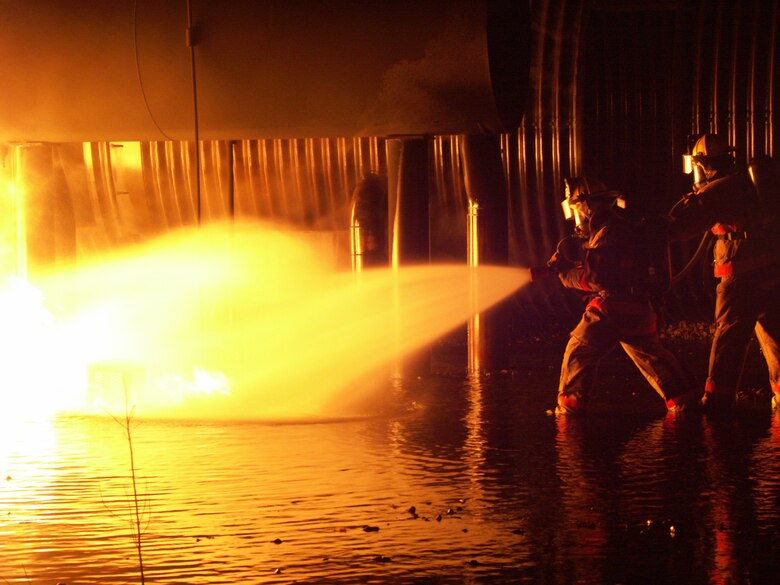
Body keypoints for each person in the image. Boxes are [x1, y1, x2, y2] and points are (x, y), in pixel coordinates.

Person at [533, 177, 697, 415]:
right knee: (651, 356)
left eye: (577, 207)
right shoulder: (616, 228)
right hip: (640, 308)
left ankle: (570, 413)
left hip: (613, 308)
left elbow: (596, 278)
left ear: (588, 205)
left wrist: (566, 275)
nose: (578, 215)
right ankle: (686, 401)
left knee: (579, 351)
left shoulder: (608, 232)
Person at [667, 133, 780, 411]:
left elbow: (679, 226)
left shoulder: (717, 190)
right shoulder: (745, 182)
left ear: (703, 164)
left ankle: (717, 400)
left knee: (729, 339)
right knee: (774, 335)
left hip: (740, 277)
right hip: (769, 273)